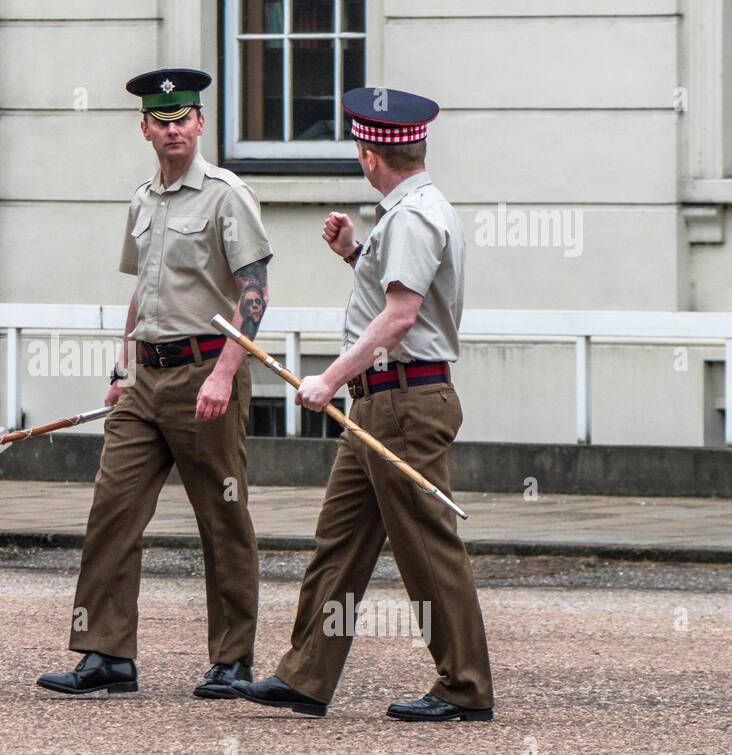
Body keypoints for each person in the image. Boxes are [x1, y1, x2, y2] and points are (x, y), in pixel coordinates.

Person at [231, 87, 495, 721]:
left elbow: (401, 319)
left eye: (357, 146)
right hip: (384, 402)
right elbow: (403, 299)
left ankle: (464, 687)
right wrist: (355, 254)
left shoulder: (411, 217)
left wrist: (327, 378)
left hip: (402, 401)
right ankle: (304, 675)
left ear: (370, 155)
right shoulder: (413, 210)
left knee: (428, 547)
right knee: (340, 543)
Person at [37, 68, 273, 699]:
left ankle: (233, 659)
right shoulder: (142, 200)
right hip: (146, 378)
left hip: (206, 374)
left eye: (184, 118)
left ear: (199, 123)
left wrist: (225, 372)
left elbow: (255, 292)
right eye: (161, 120)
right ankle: (106, 653)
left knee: (222, 518)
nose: (173, 129)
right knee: (111, 511)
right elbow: (141, 291)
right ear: (145, 128)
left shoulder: (227, 195)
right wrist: (122, 369)